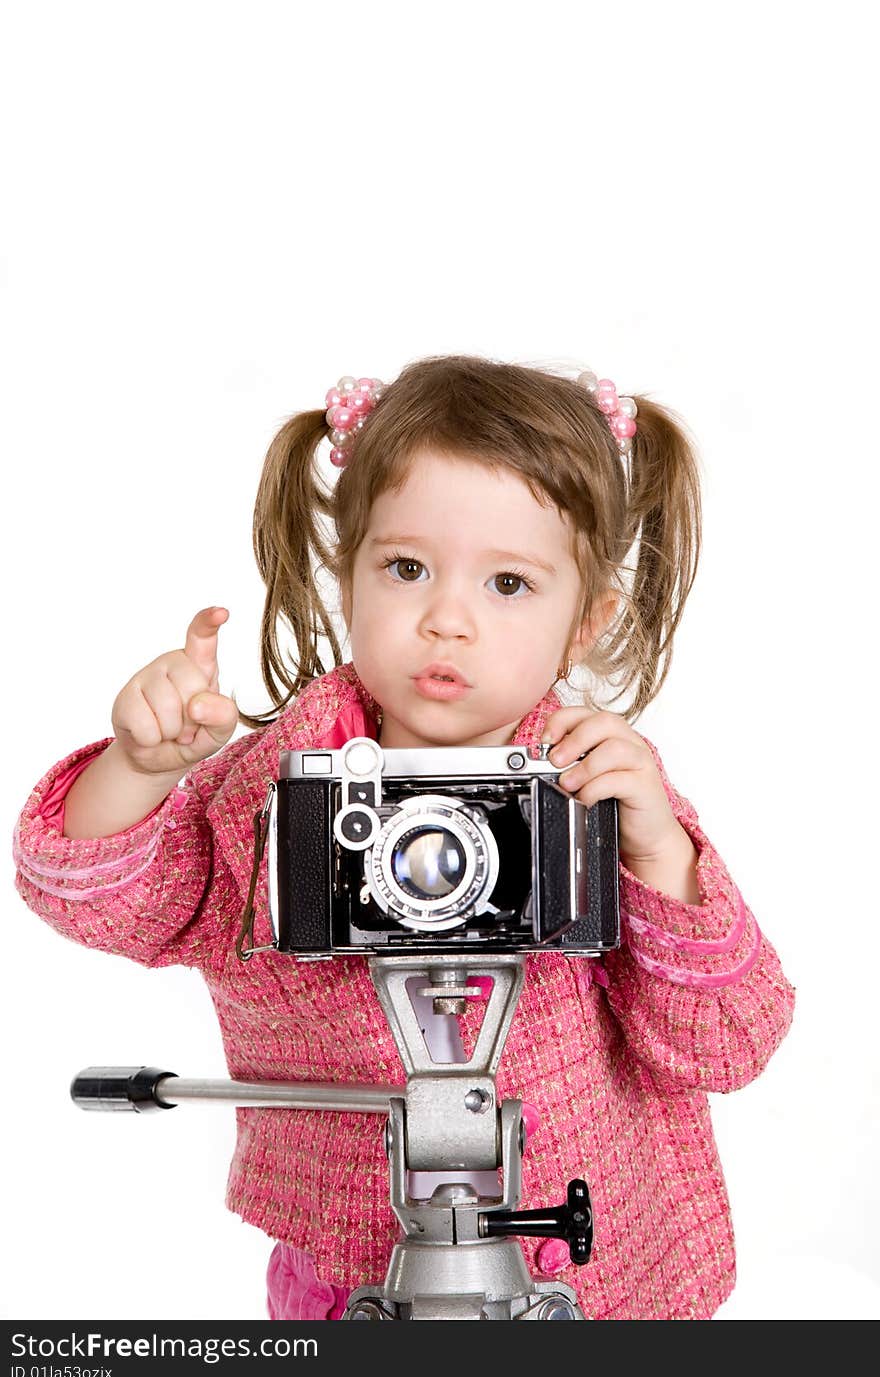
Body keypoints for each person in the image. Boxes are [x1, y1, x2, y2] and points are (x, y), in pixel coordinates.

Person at [12, 354, 795, 1321]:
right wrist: (138, 770)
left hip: (583, 1269)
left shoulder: (599, 788)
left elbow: (727, 1044)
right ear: (348, 577)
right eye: (407, 568)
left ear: (586, 620)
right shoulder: (276, 790)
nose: (447, 620)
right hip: (351, 1267)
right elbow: (114, 902)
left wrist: (660, 857)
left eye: (509, 582)